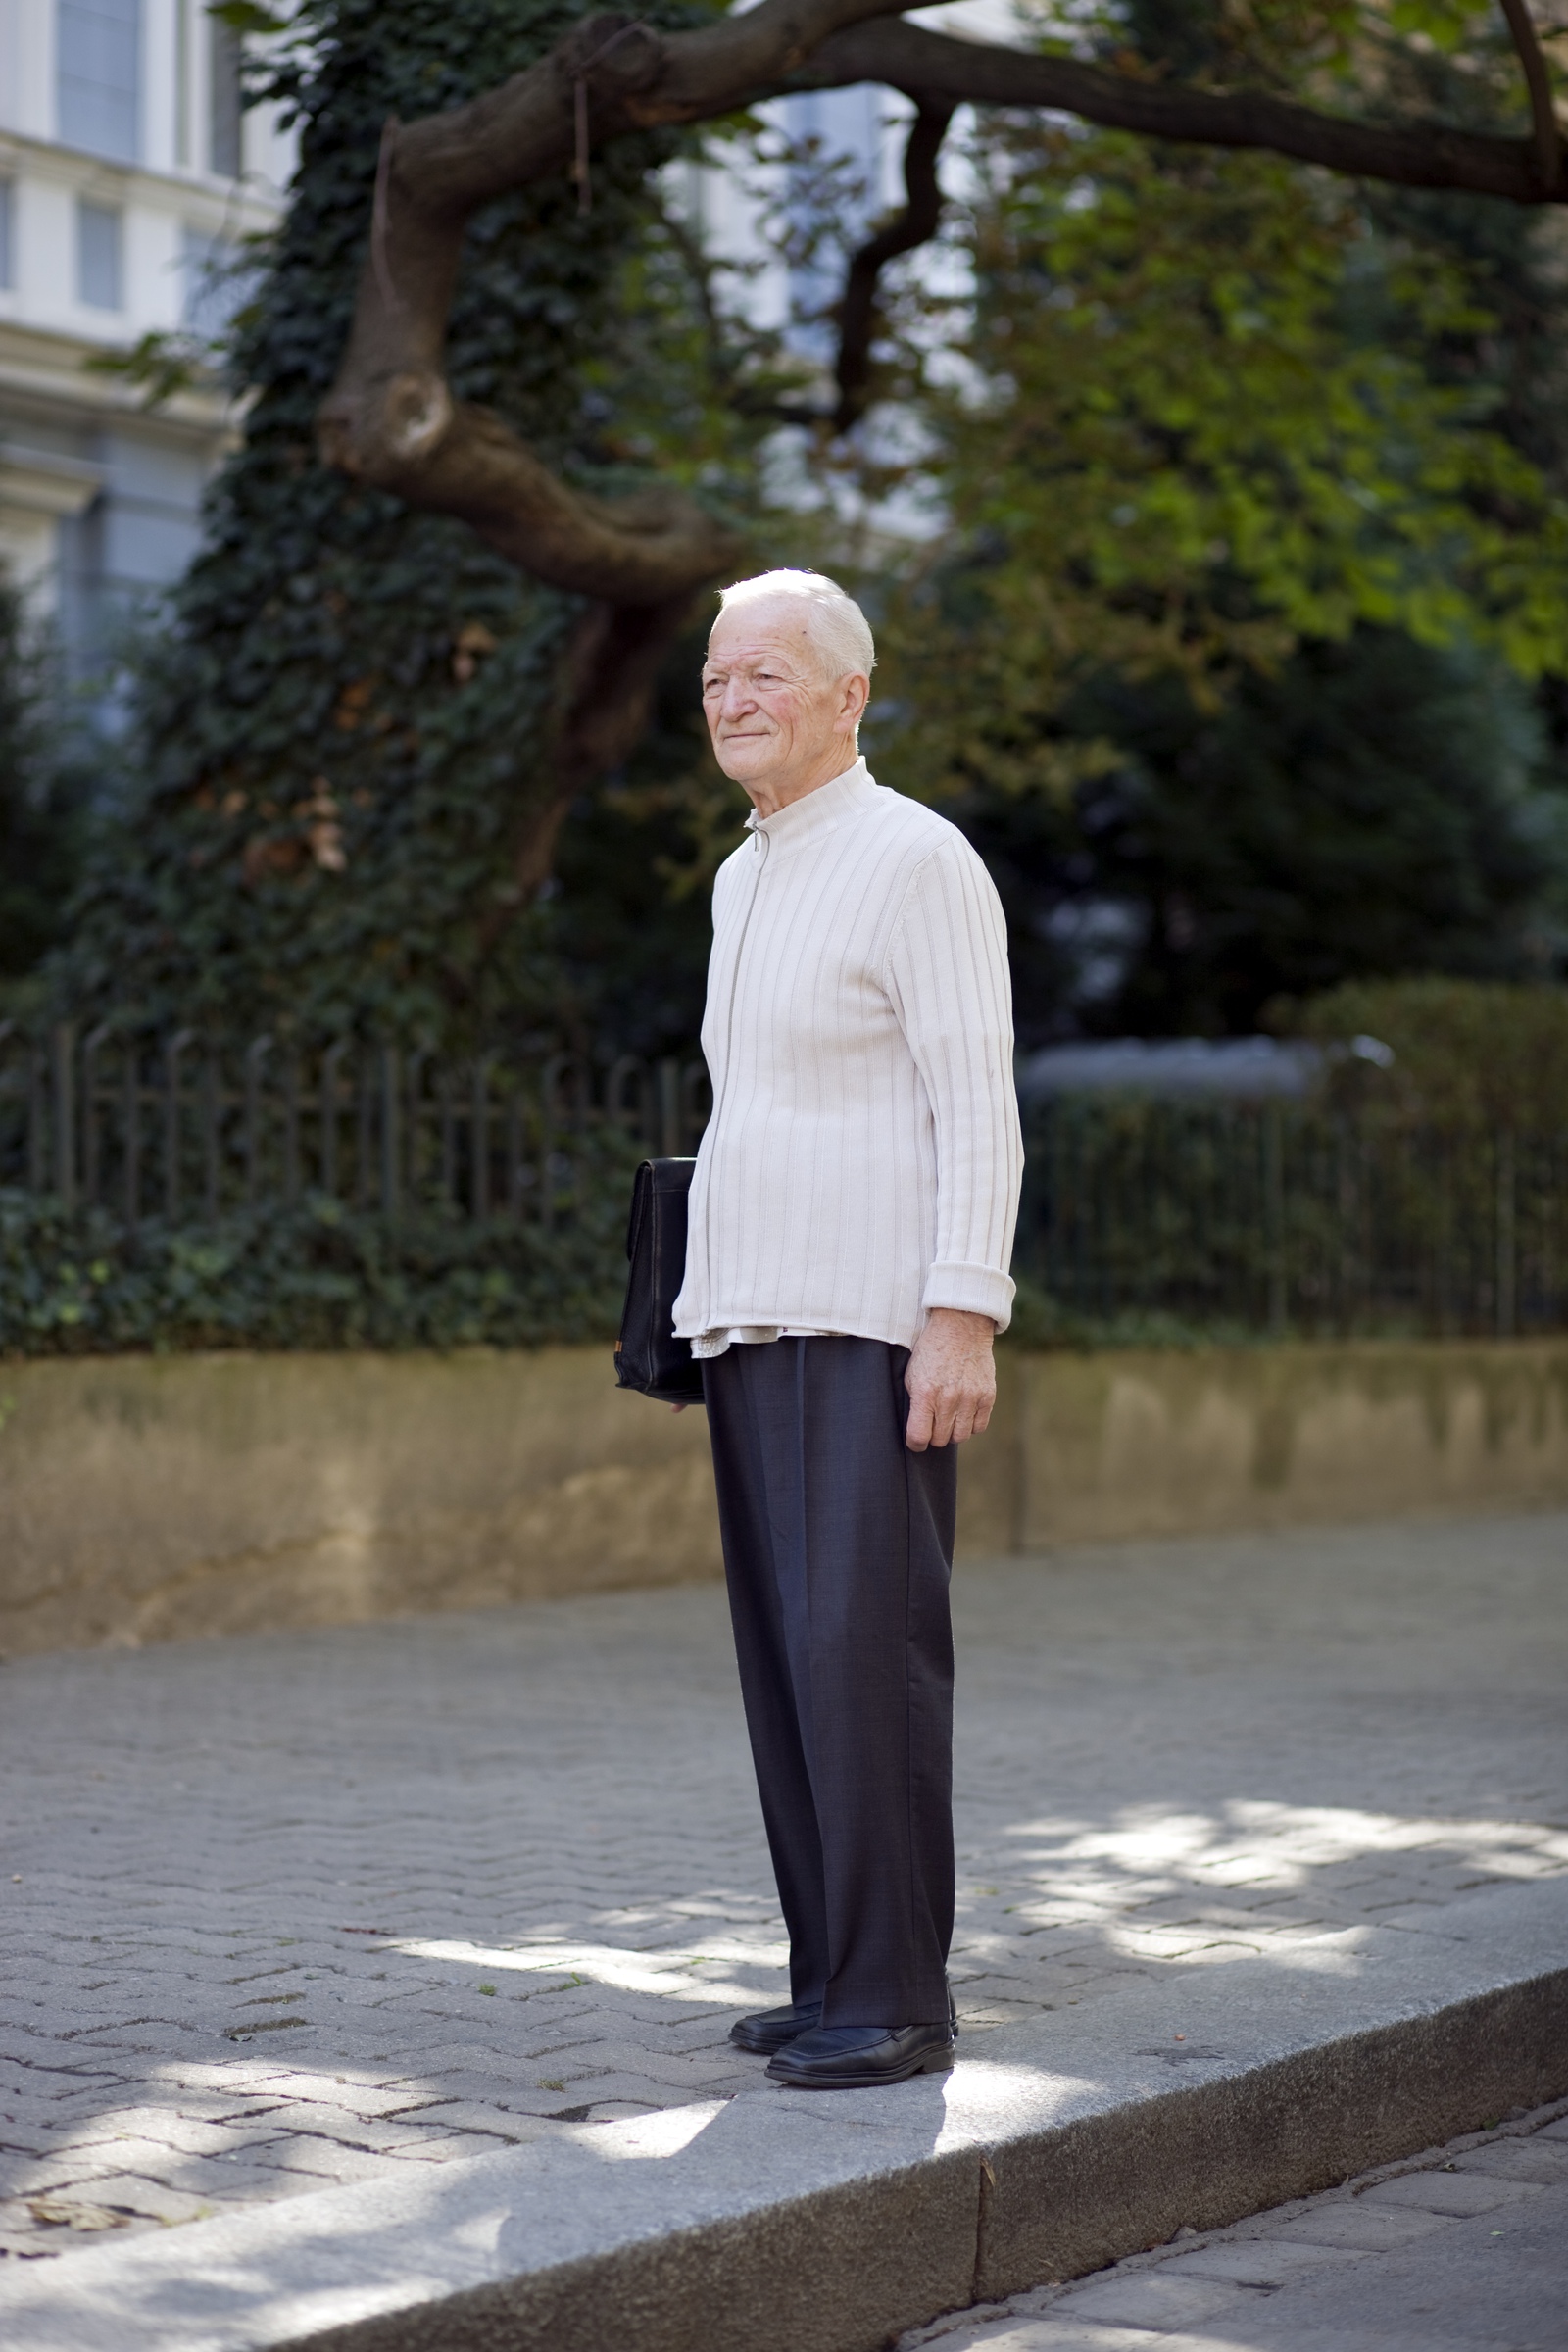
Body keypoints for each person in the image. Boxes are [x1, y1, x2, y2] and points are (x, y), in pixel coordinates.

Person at [671, 568, 1023, 2091]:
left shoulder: (916, 858)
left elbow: (977, 1101)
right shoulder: (741, 875)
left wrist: (964, 1313)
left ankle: (895, 1996)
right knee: (785, 1662)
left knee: (862, 1652)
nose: (732, 699)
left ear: (847, 695)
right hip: (747, 1319)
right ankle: (827, 1972)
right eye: (714, 679)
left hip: (872, 1322)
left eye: (764, 673)